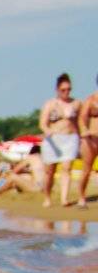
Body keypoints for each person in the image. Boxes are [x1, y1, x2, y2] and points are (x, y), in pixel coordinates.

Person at [40, 73, 81, 208]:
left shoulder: (76, 103)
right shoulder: (50, 104)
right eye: (63, 90)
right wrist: (48, 131)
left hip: (70, 138)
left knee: (67, 168)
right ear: (57, 89)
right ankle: (47, 197)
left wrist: (81, 137)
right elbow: (42, 123)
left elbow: (80, 121)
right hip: (53, 139)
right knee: (50, 171)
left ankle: (64, 198)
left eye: (69, 89)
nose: (66, 92)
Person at [77, 74, 98, 209]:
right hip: (91, 140)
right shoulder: (91, 100)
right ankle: (81, 197)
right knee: (86, 169)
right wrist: (84, 130)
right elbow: (82, 118)